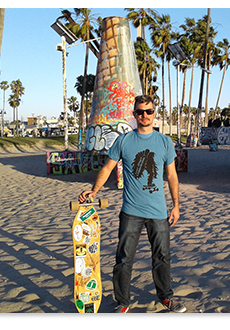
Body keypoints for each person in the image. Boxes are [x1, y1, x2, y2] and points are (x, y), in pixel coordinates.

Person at [78, 95, 185, 313]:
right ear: (134, 114)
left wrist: (176, 205)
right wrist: (94, 190)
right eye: (140, 112)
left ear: (155, 113)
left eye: (149, 111)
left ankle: (166, 297)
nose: (144, 115)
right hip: (131, 212)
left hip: (158, 212)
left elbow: (172, 176)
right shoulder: (124, 141)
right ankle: (123, 302)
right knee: (124, 258)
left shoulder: (164, 142)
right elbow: (108, 167)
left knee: (162, 257)